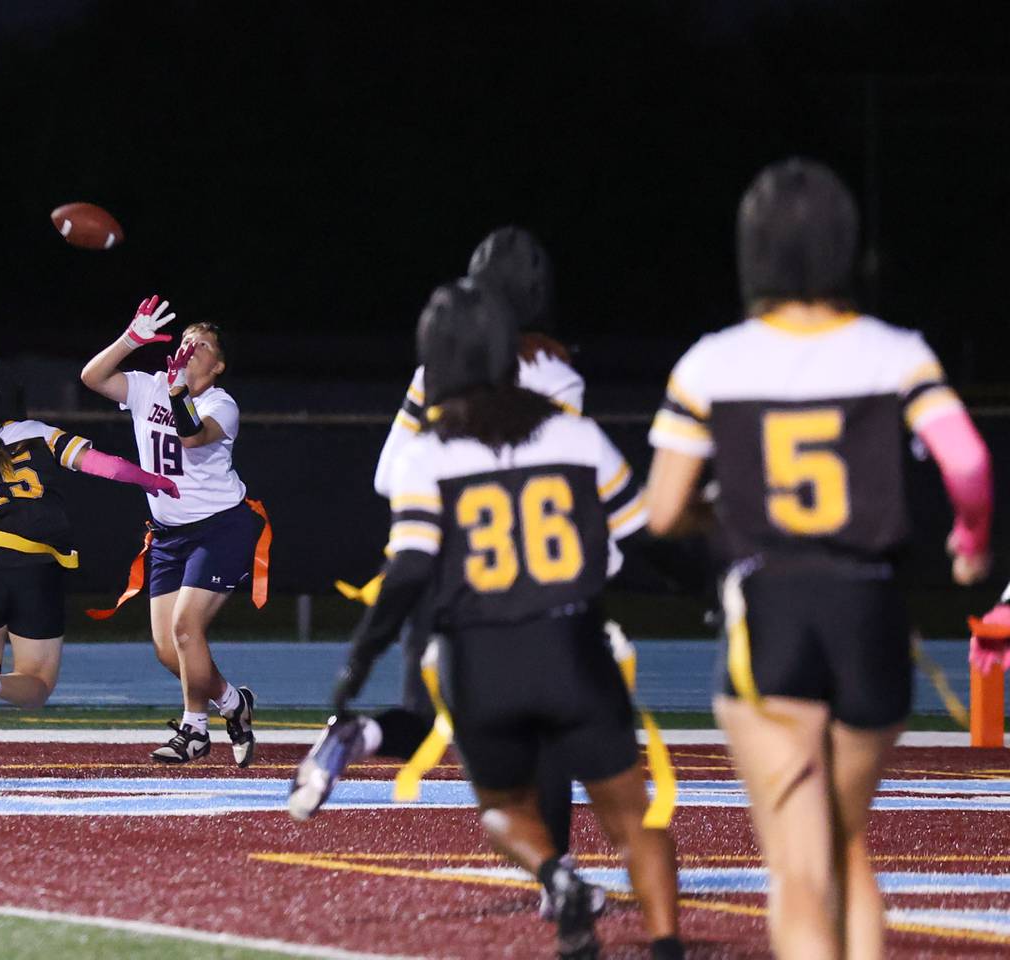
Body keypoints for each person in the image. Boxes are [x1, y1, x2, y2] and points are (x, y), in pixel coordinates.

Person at [643, 158, 994, 959]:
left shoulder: (711, 363)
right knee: (847, 847)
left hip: (772, 615)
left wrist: (728, 510)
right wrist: (971, 542)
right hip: (870, 610)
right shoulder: (896, 351)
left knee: (798, 872)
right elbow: (968, 464)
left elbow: (663, 512)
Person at [317, 280, 683, 960]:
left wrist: (359, 660)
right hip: (574, 645)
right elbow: (644, 539)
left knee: (503, 809)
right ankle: (666, 948)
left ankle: (555, 875)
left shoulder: (428, 455)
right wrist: (712, 587)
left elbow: (410, 572)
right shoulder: (574, 433)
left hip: (485, 661)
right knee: (633, 822)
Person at [0, 358, 180, 788]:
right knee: (36, 686)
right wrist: (152, 481)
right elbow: (105, 464)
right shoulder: (41, 434)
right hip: (34, 569)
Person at [80, 296, 267, 765]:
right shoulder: (148, 388)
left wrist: (179, 390)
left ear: (218, 364)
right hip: (167, 534)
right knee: (170, 651)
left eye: (200, 345)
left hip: (220, 528)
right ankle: (232, 704)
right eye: (185, 340)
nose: (189, 347)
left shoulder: (221, 404)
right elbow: (92, 377)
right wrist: (132, 339)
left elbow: (190, 435)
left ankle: (194, 731)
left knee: (187, 629)